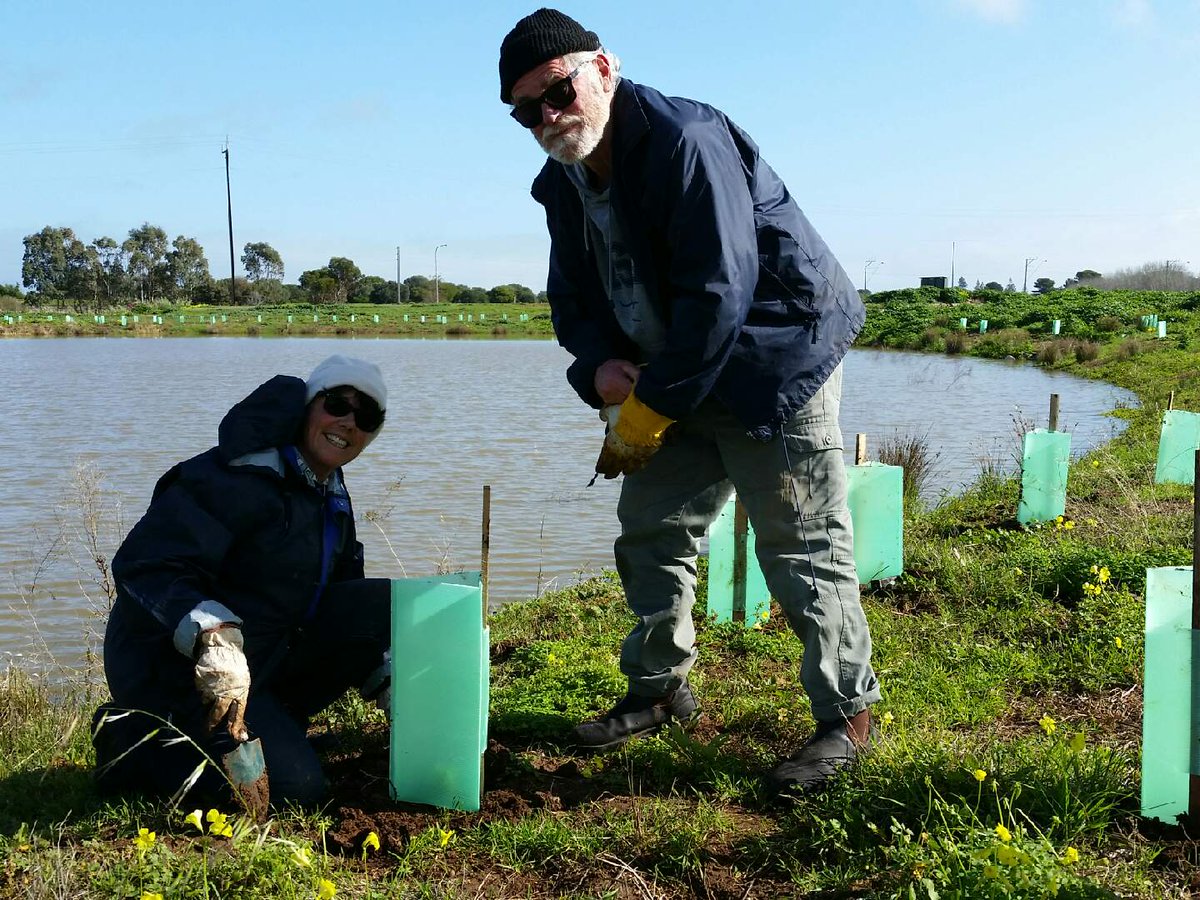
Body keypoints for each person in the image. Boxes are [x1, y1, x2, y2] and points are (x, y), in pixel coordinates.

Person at [499, 9, 881, 794]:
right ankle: (660, 689)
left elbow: (720, 293)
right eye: (524, 109)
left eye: (557, 90)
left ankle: (848, 719)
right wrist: (598, 368)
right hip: (670, 378)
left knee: (801, 543)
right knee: (650, 529)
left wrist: (647, 409)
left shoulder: (686, 141)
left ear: (602, 69)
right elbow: (572, 298)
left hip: (770, 366)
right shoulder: (560, 180)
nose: (546, 116)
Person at [91, 355, 393, 807]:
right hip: (176, 670)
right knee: (296, 791)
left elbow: (344, 596)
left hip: (259, 661)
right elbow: (145, 565)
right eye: (336, 404)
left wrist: (384, 674)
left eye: (365, 416)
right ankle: (134, 738)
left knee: (381, 601)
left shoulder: (330, 491)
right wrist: (210, 632)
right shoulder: (233, 477)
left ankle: (277, 727)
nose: (348, 422)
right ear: (308, 406)